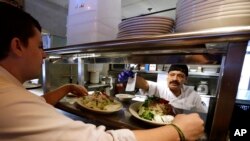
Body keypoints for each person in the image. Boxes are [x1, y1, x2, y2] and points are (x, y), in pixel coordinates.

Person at [0, 2, 204, 141]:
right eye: (39, 47)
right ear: (17, 46)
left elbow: (37, 103)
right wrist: (177, 131)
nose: (44, 56)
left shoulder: (9, 91)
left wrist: (67, 87)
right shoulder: (7, 98)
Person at [119, 64, 207, 113]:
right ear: (167, 77)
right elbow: (145, 84)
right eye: (172, 75)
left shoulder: (193, 95)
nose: (175, 79)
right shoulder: (160, 87)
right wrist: (131, 78)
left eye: (180, 76)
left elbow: (201, 115)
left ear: (186, 79)